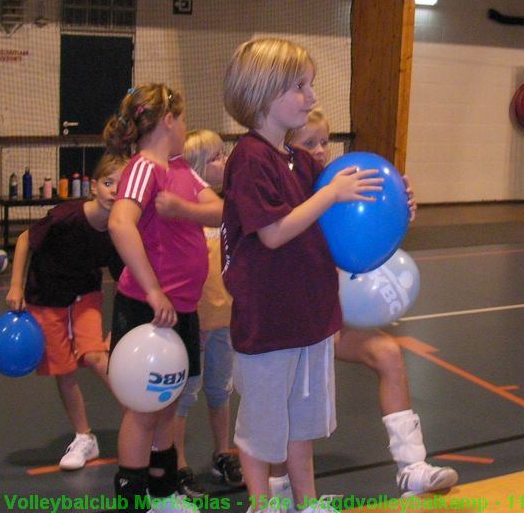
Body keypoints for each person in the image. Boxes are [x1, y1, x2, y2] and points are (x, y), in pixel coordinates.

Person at [220, 38, 383, 513]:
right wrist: (331, 194)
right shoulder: (250, 159)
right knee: (262, 428)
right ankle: (260, 504)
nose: (311, 96)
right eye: (300, 86)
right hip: (270, 323)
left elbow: (341, 210)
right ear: (265, 93)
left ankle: (306, 502)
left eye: (310, 85)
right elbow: (272, 233)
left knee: (301, 423)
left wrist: (392, 200)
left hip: (309, 318)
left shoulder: (297, 160)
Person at [279, 107, 457, 498]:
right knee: (287, 402)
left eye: (325, 141)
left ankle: (412, 467)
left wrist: (395, 211)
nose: (321, 150)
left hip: (328, 318)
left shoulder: (341, 187)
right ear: (287, 146)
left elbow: (360, 241)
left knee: (388, 354)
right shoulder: (289, 193)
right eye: (309, 143)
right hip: (289, 324)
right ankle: (278, 495)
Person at [104, 83, 223, 513]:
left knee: (168, 403)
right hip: (148, 310)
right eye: (184, 119)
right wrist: (154, 291)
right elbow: (120, 223)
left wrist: (183, 210)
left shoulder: (180, 169)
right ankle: (133, 498)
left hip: (182, 309)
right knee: (143, 407)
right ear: (169, 121)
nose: (185, 128)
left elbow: (219, 209)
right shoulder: (144, 168)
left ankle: (163, 492)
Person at [5, 153, 128, 471]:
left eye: (122, 183)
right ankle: (85, 437)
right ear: (93, 187)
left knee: (93, 354)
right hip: (46, 297)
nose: (115, 189)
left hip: (85, 295)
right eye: (108, 182)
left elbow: (125, 278)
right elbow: (24, 240)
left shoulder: (118, 230)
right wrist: (16, 286)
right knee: (64, 369)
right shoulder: (65, 216)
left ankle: (139, 414)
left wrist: (125, 321)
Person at [155, 129, 244, 497]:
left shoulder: (228, 213)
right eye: (215, 157)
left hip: (225, 323)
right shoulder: (188, 218)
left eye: (224, 154)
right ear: (195, 168)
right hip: (194, 322)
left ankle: (222, 451)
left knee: (220, 391)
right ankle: (179, 462)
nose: (225, 162)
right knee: (185, 396)